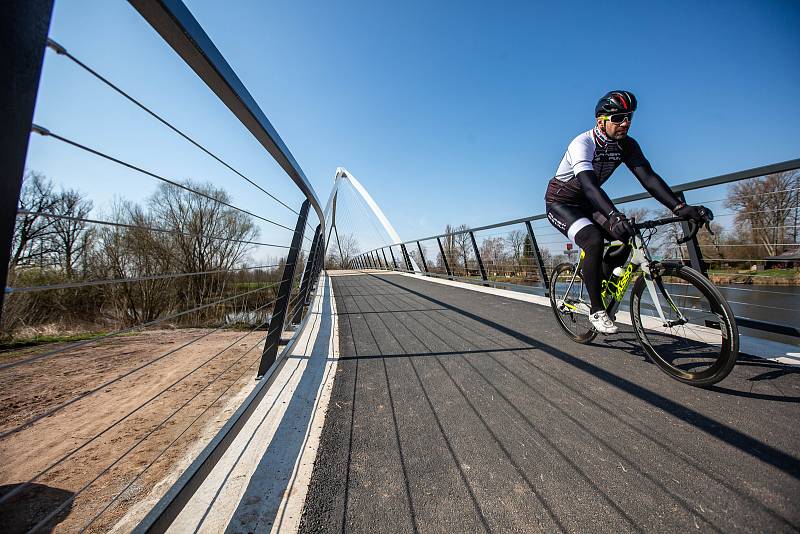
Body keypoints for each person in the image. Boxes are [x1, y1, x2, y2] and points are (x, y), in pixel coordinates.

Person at [544, 90, 711, 334]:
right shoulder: (583, 143)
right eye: (618, 118)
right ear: (600, 120)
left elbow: (649, 178)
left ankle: (601, 278)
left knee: (628, 236)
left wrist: (680, 206)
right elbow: (589, 186)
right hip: (562, 204)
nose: (625, 123)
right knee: (592, 239)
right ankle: (596, 309)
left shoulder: (627, 145)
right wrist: (613, 215)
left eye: (629, 117)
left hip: (590, 203)